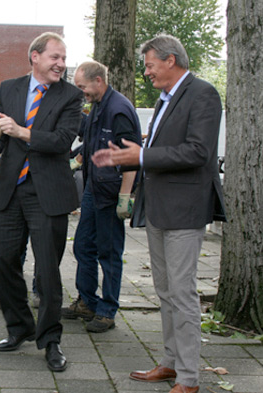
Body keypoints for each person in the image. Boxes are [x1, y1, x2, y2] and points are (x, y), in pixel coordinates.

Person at [91, 34, 226, 393]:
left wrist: (142, 156)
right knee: (165, 291)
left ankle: (189, 379)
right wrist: (137, 151)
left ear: (170, 60)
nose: (146, 72)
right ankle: (170, 363)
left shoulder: (203, 94)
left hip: (185, 211)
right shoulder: (165, 98)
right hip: (159, 208)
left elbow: (198, 152)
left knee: (181, 294)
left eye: (150, 64)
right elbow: (164, 147)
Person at [0, 32, 82, 372]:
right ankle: (19, 328)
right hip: (9, 191)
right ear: (34, 56)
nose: (61, 64)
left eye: (63, 58)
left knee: (47, 272)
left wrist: (23, 132)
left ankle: (50, 341)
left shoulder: (70, 96)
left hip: (47, 193)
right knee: (3, 261)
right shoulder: (10, 88)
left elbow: (62, 142)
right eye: (55, 57)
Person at [62, 61, 141, 333]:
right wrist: (77, 160)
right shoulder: (97, 106)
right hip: (93, 190)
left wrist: (125, 196)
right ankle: (87, 301)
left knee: (109, 253)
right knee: (83, 246)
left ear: (98, 81)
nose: (82, 92)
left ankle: (107, 311)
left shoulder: (119, 110)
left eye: (83, 87)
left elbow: (132, 156)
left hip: (110, 194)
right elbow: (91, 141)